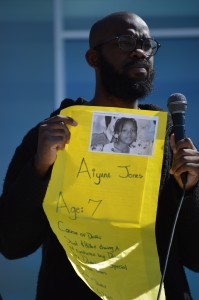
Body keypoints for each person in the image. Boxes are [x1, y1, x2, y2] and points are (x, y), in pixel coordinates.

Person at [0, 11, 199, 300]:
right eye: (126, 41)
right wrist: (40, 168)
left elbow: (195, 258)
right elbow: (12, 244)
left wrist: (190, 189)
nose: (141, 51)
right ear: (93, 58)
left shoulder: (169, 142)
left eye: (147, 43)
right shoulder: (50, 136)